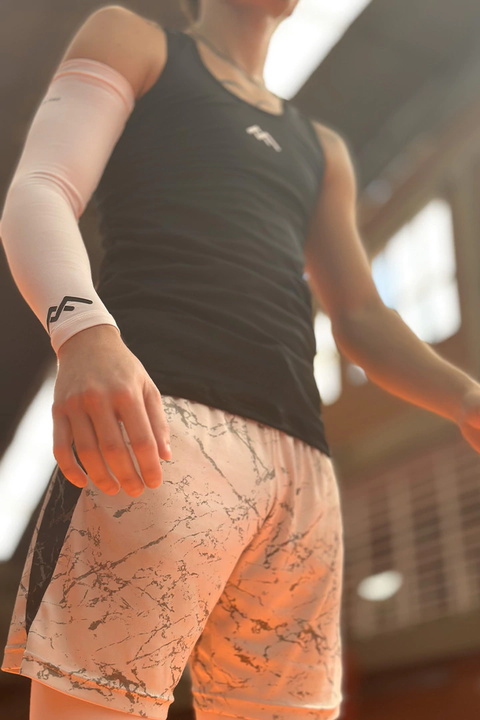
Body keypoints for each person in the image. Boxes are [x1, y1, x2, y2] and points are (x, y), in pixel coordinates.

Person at [0, 1, 365, 718]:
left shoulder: (323, 147)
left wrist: (463, 395)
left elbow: (360, 314)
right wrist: (83, 333)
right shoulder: (136, 41)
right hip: (155, 423)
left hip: (303, 467)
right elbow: (43, 187)